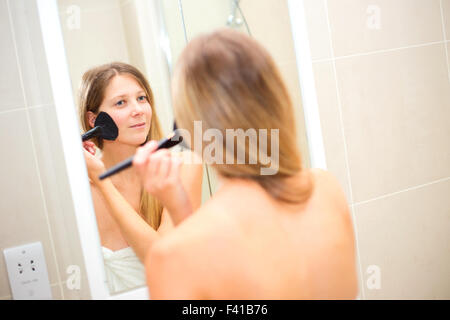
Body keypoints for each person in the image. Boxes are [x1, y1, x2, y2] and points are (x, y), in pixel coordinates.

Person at [134, 29, 358, 299]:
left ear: (193, 130)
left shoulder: (171, 257)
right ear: (277, 101)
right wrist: (180, 211)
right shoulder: (326, 189)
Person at [79, 62, 203, 293]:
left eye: (142, 98)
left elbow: (161, 259)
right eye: (121, 102)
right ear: (94, 121)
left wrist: (101, 181)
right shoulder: (81, 190)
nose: (138, 110)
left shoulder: (184, 166)